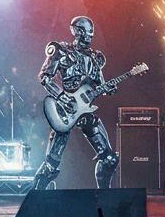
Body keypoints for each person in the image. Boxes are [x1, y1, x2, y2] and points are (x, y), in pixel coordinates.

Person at [29, 16, 121, 191]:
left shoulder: (95, 58)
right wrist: (62, 97)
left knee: (110, 159)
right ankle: (36, 197)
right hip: (64, 110)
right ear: (77, 31)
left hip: (85, 111)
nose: (90, 36)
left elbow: (99, 85)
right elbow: (45, 77)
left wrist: (108, 88)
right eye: (86, 31)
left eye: (91, 33)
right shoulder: (61, 50)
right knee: (50, 165)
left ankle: (104, 197)